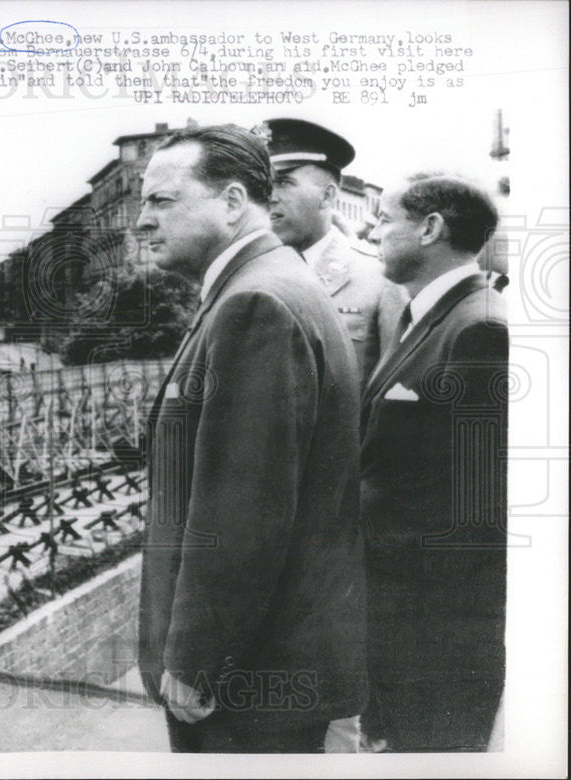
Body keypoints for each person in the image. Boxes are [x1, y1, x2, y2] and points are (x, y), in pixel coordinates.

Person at [136, 125, 367, 753]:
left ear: (234, 203)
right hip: (268, 666)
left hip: (243, 681)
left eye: (161, 201)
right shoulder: (269, 282)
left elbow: (241, 511)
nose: (141, 221)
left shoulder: (254, 303)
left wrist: (195, 660)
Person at [360, 172, 508, 752]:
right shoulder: (433, 315)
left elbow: (478, 514)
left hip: (437, 639)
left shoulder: (481, 329)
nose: (372, 232)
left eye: (383, 218)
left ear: (430, 228)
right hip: (407, 625)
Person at [264, 118, 408, 390]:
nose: (270, 196)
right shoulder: (251, 273)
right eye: (265, 184)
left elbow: (395, 391)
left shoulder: (378, 277)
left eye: (284, 182)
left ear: (328, 196)